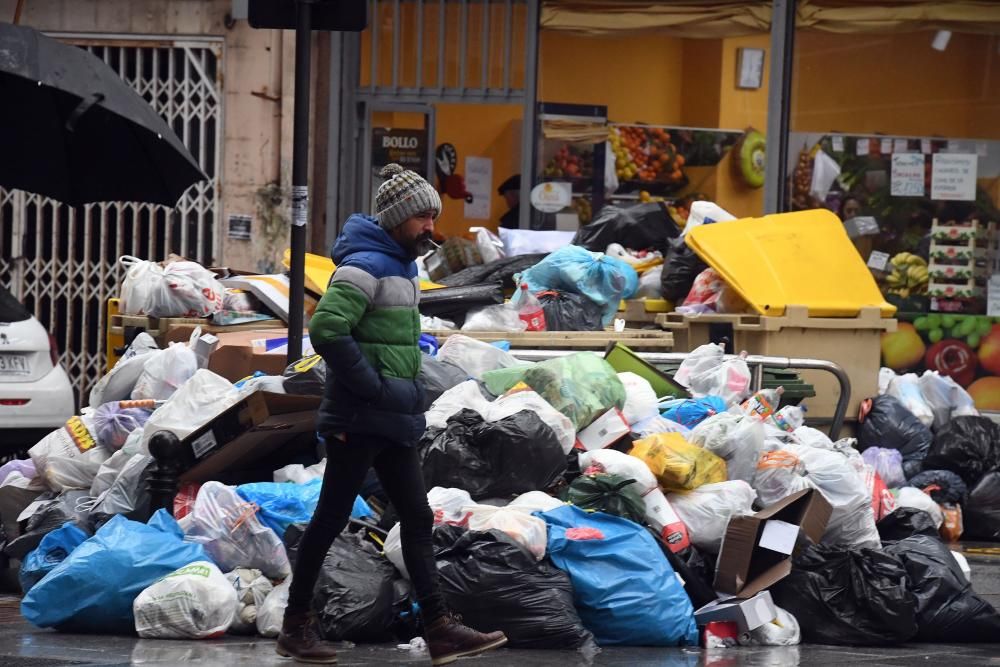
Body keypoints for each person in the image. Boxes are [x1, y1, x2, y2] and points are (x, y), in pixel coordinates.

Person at [276, 163, 507, 665]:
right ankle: (296, 624)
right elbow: (328, 330)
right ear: (399, 217)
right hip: (359, 420)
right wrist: (373, 388)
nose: (431, 227)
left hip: (394, 419)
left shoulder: (403, 265)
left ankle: (440, 627)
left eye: (432, 217)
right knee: (330, 519)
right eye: (423, 217)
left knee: (418, 517)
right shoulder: (364, 265)